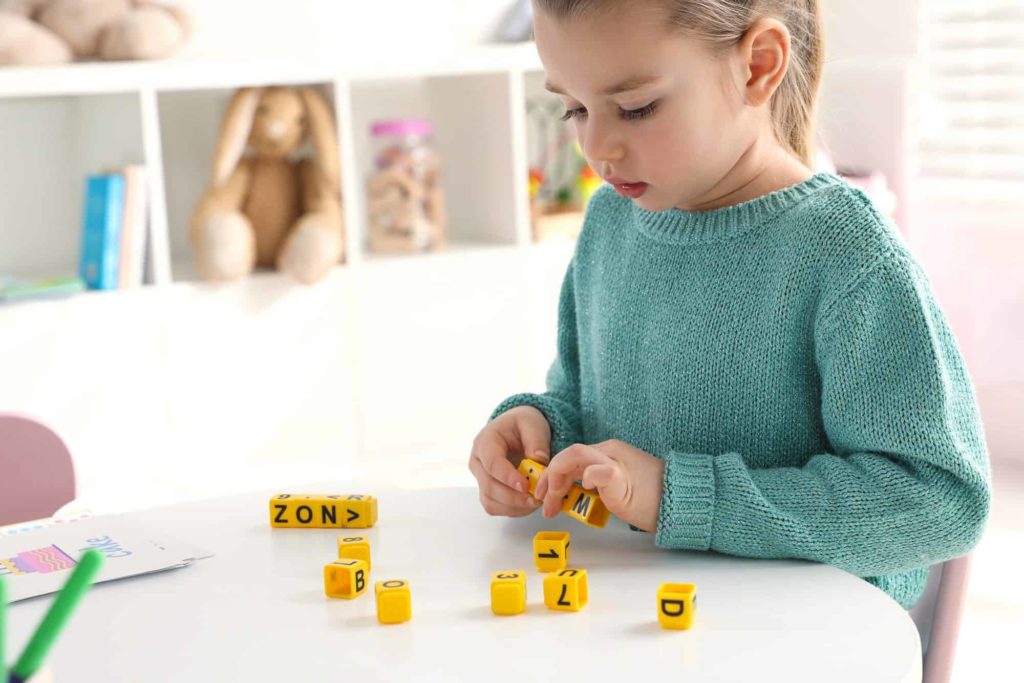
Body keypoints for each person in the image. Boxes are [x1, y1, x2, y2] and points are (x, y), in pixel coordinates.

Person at [467, 0, 991, 610]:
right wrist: (541, 433)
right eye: (575, 108)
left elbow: (939, 502)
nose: (598, 147)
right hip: (637, 619)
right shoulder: (611, 223)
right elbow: (585, 405)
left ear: (758, 65)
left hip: (803, 640)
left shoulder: (844, 254)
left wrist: (680, 497)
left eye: (636, 107)